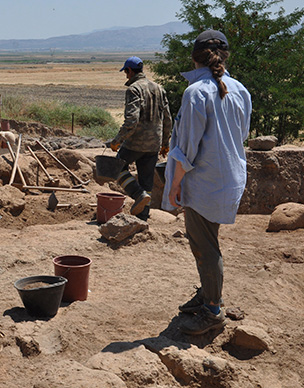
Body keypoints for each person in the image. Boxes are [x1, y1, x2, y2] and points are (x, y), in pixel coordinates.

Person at [162, 30, 252, 335]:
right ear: (224, 56)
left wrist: (175, 184)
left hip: (204, 182)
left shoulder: (196, 92)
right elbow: (241, 136)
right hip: (229, 177)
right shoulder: (239, 89)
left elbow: (187, 149)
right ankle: (206, 292)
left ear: (194, 57)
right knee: (206, 240)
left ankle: (213, 309)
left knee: (205, 247)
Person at [106, 56, 172, 221]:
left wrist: (117, 141)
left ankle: (138, 194)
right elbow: (168, 119)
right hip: (154, 144)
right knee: (146, 179)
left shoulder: (134, 89)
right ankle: (143, 216)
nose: (126, 76)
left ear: (129, 71)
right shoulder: (159, 88)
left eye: (126, 72)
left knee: (117, 169)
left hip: (136, 143)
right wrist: (165, 143)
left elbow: (131, 120)